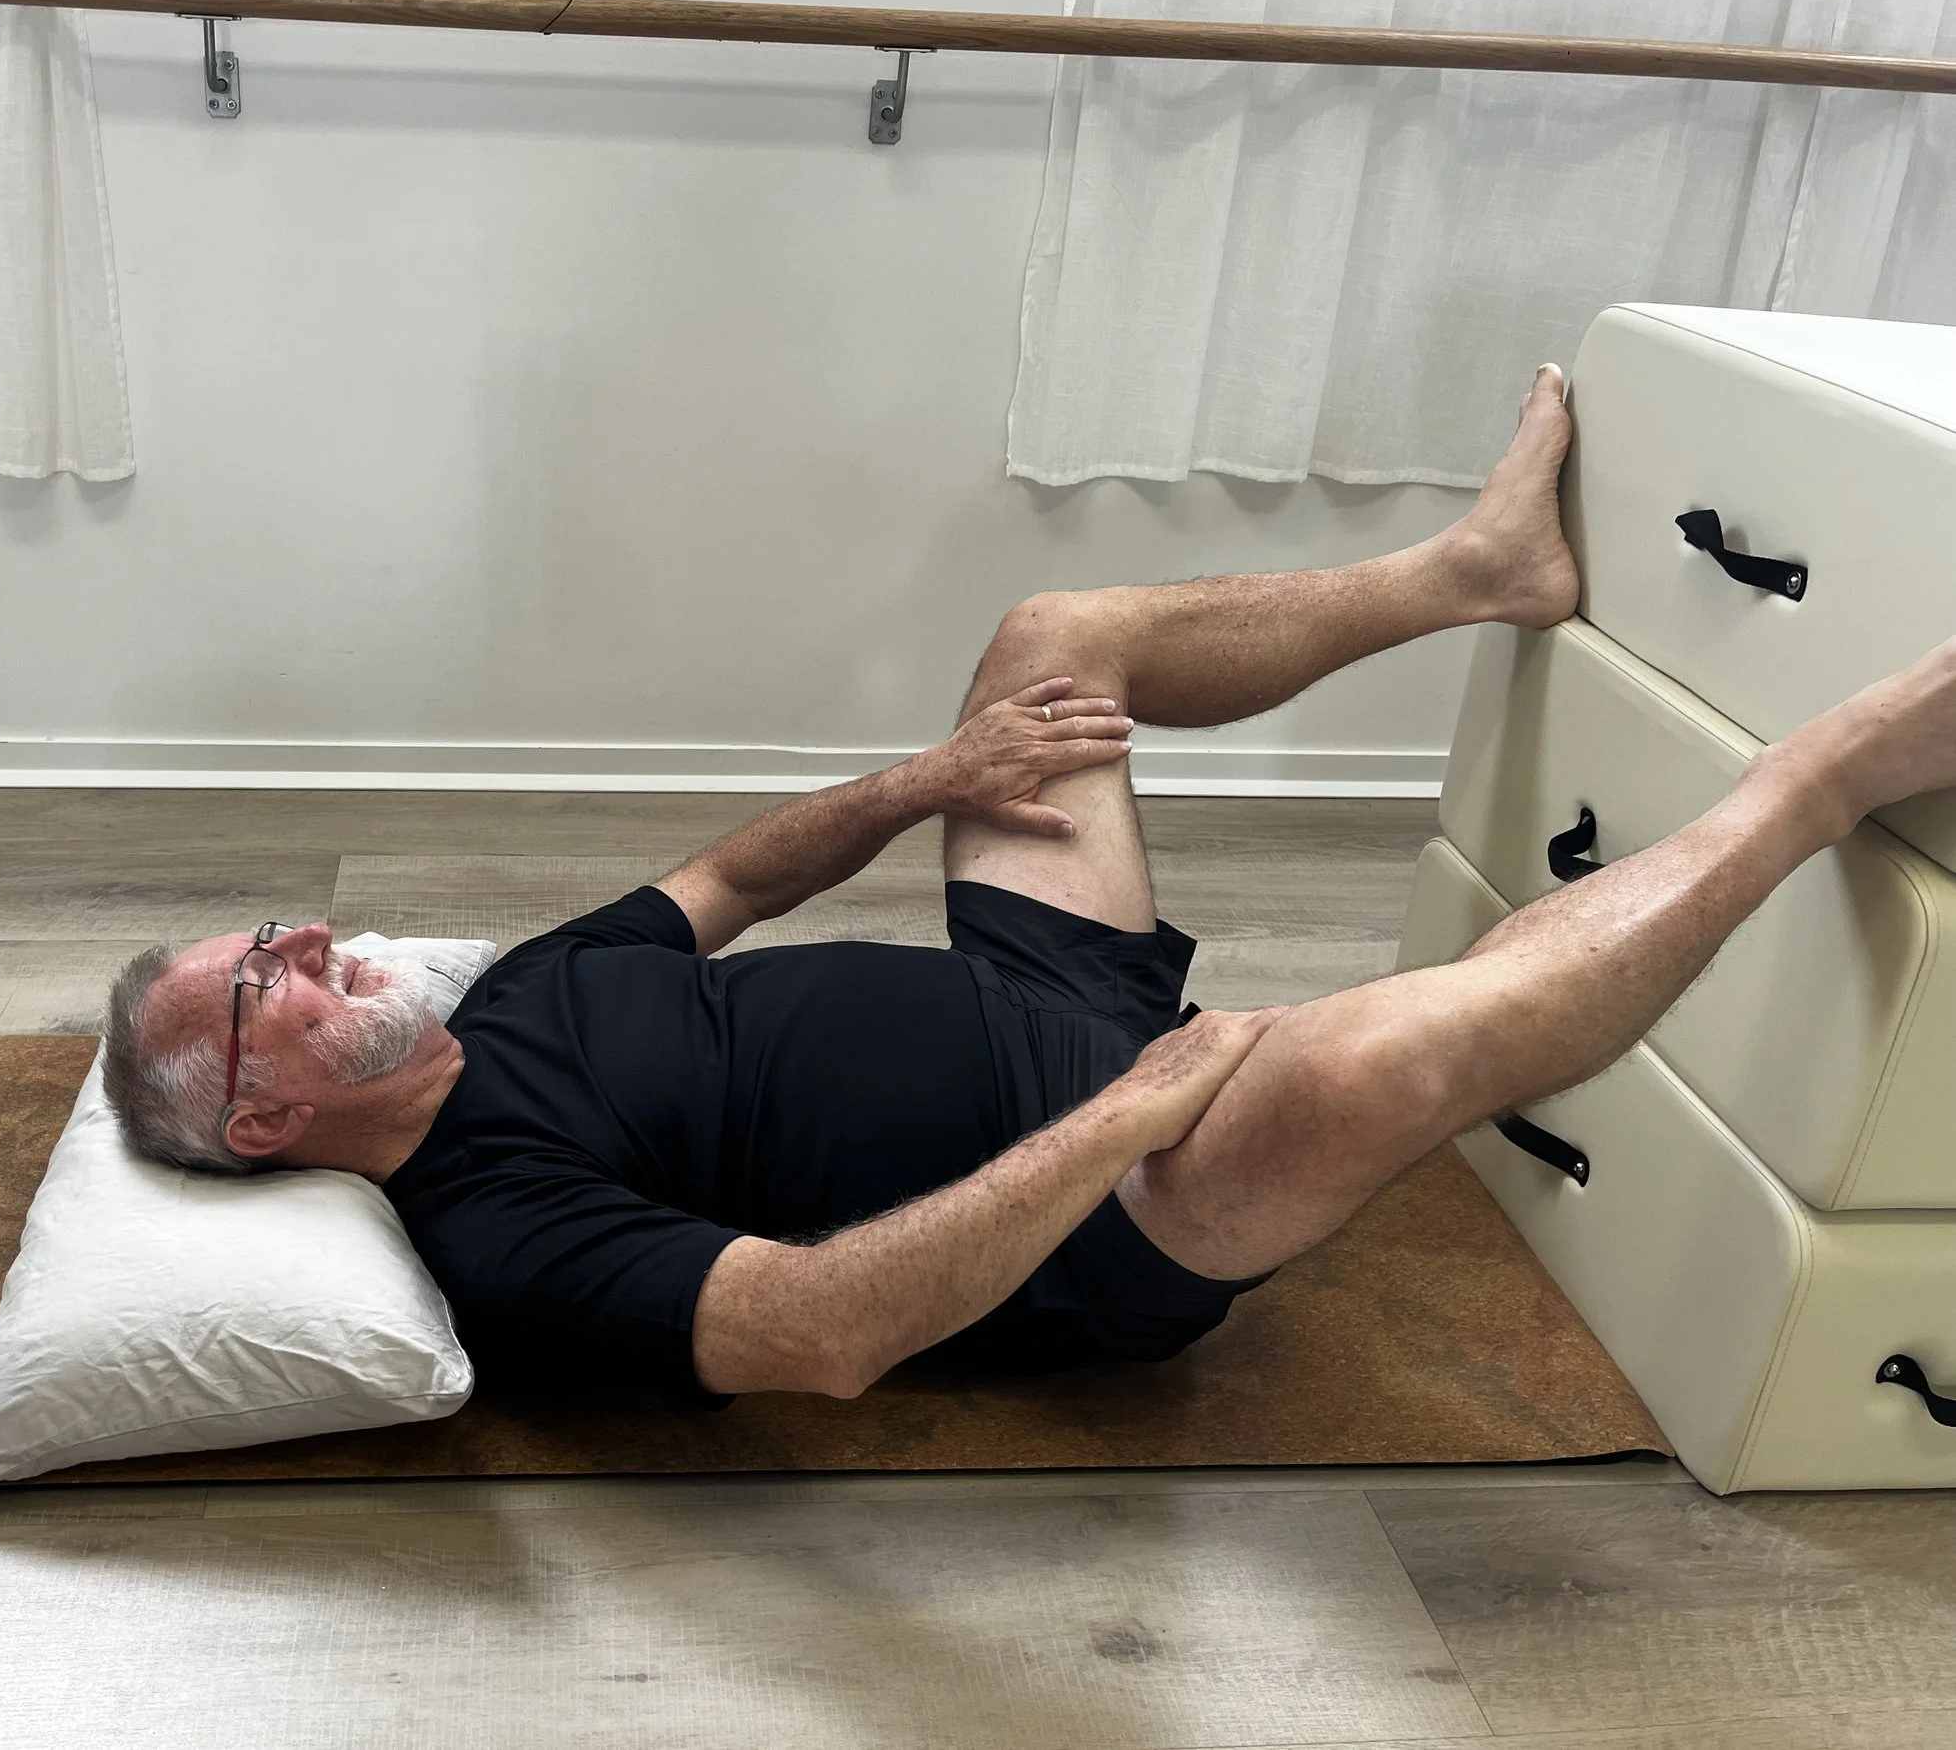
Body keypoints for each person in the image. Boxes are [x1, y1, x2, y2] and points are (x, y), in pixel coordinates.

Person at [101, 365, 1956, 1400]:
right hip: (1112, 1209)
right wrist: (1123, 1121)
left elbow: (729, 873)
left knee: (1053, 640)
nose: (319, 939)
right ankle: (1827, 779)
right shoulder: (493, 1229)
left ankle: (1479, 569)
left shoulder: (507, 995)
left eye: (279, 929)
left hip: (1043, 992)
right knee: (1381, 1065)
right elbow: (815, 1334)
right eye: (272, 978)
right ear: (262, 1112)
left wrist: (943, 779)